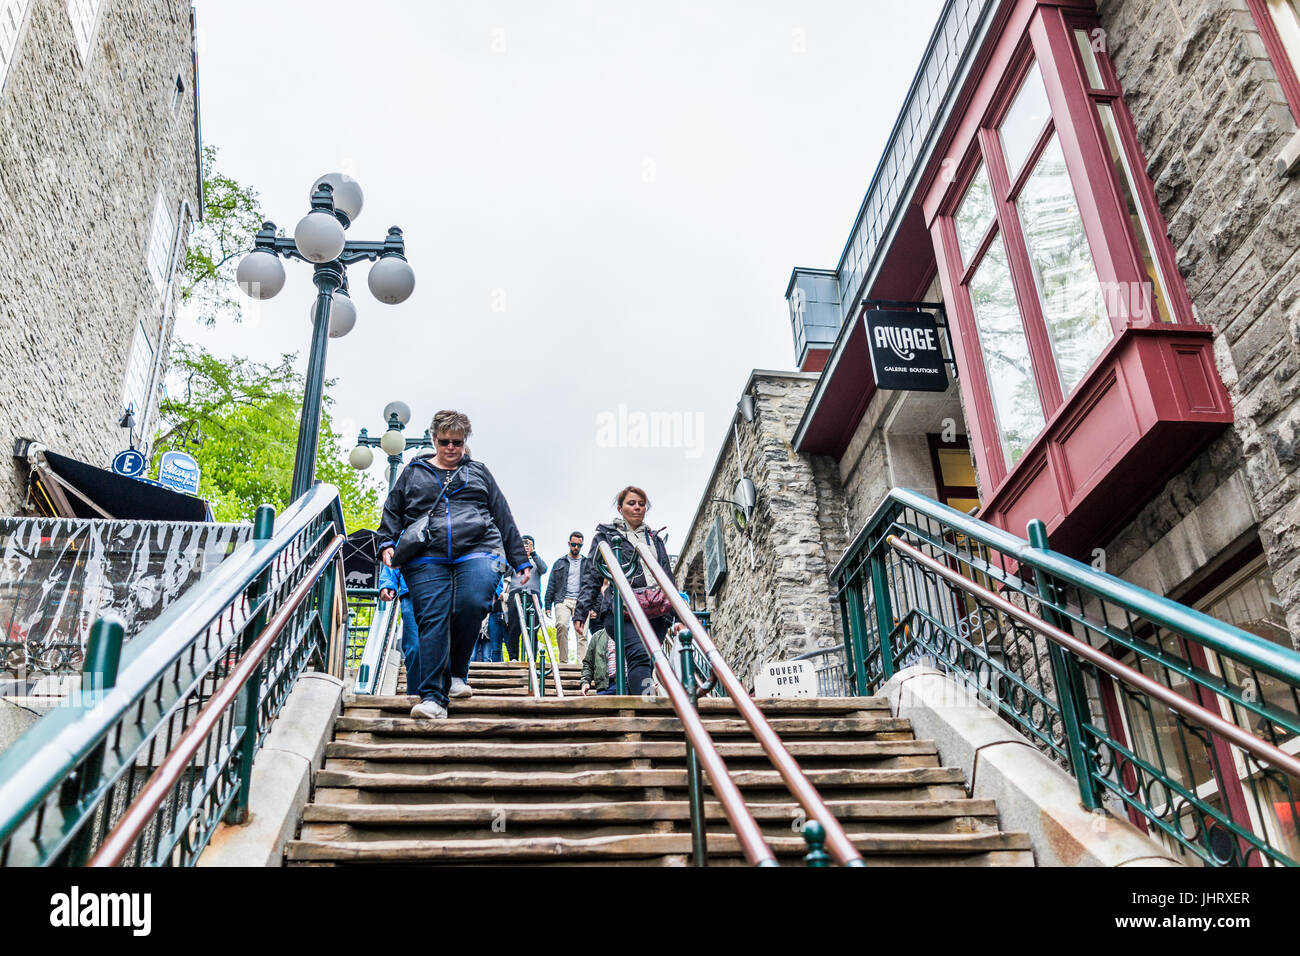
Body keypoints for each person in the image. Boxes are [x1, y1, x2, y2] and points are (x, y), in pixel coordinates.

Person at [377, 409, 532, 720]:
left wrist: (519, 559)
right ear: (435, 440)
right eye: (445, 441)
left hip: (478, 547)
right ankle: (433, 698)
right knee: (433, 618)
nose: (451, 448)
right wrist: (386, 543)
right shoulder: (414, 471)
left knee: (472, 602)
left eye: (457, 443)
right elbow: (393, 510)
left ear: (465, 442)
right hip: (426, 553)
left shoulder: (479, 472)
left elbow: (503, 515)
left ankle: (458, 672)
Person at [573, 486, 675, 696]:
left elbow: (667, 576)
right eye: (631, 503)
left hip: (655, 611)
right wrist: (581, 611)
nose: (637, 508)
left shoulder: (654, 538)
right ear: (620, 508)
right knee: (639, 655)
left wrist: (675, 615)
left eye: (641, 504)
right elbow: (592, 575)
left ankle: (641, 702)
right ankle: (645, 708)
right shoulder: (606, 536)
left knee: (649, 658)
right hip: (621, 610)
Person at [544, 531, 591, 664]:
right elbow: (551, 584)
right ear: (569, 544)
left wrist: (594, 607)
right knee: (561, 625)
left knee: (582, 634)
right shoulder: (559, 563)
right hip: (562, 600)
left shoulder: (587, 563)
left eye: (579, 545)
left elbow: (593, 585)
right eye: (574, 544)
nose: (576, 547)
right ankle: (563, 662)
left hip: (582, 602)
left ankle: (582, 664)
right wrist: (547, 604)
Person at [505, 534, 547, 659]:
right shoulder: (514, 560)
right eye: (523, 544)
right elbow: (504, 571)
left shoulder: (536, 561)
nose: (526, 547)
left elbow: (544, 569)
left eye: (528, 544)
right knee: (513, 628)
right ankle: (513, 657)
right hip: (515, 595)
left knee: (532, 629)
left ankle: (532, 657)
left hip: (533, 596)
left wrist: (533, 553)